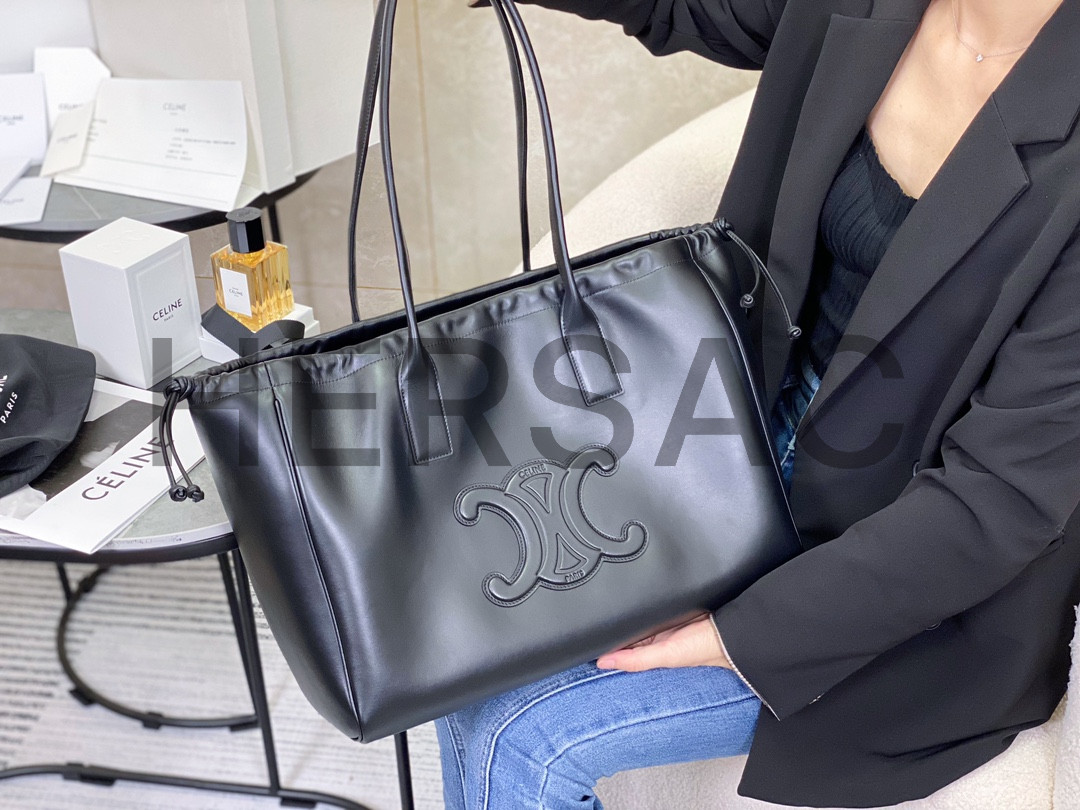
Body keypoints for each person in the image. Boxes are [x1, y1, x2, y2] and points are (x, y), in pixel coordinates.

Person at [435, 0, 1080, 807]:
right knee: (460, 651)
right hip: (726, 468)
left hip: (907, 578)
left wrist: (738, 635)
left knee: (520, 735)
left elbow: (998, 504)